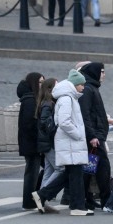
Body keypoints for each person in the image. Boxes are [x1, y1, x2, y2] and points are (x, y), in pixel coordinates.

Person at [32, 69, 91, 216]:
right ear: (75, 84)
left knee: (71, 173)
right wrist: (77, 135)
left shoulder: (68, 97)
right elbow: (64, 122)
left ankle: (43, 195)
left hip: (69, 142)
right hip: (70, 142)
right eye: (81, 84)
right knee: (75, 174)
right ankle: (77, 206)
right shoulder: (67, 98)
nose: (83, 87)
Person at [78, 62, 111, 209]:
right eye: (102, 72)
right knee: (103, 169)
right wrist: (92, 135)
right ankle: (106, 200)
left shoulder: (92, 87)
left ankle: (86, 197)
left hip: (97, 136)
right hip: (94, 138)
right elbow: (85, 115)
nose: (103, 75)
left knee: (90, 169)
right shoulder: (88, 89)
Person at [17, 72, 44, 211]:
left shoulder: (33, 98)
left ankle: (35, 197)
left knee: (34, 171)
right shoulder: (30, 100)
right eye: (40, 82)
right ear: (33, 83)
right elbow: (29, 124)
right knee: (31, 173)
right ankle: (28, 201)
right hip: (32, 143)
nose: (42, 85)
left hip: (32, 142)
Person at [36, 78, 62, 195]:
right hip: (48, 142)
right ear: (50, 89)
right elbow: (45, 123)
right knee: (60, 168)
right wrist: (55, 129)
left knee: (49, 170)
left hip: (46, 142)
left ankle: (41, 197)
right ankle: (42, 194)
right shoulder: (49, 103)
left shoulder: (46, 102)